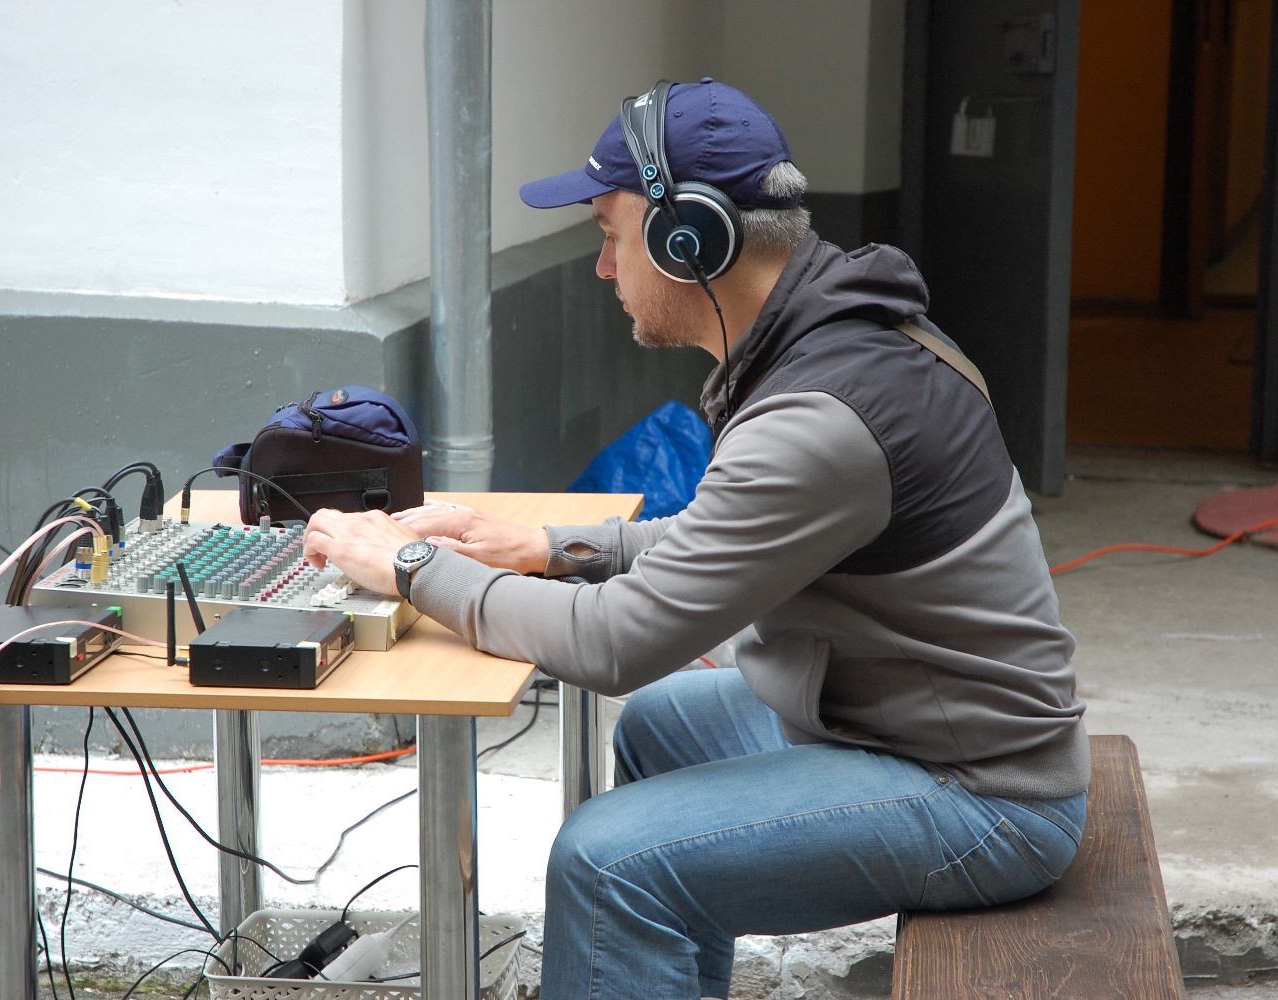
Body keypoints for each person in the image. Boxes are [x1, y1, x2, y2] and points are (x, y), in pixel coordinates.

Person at [301, 78, 1088, 1000]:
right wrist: (544, 546)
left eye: (610, 235)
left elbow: (615, 643)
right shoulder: (835, 338)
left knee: (606, 863)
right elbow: (730, 533)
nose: (603, 268)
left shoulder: (825, 415)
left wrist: (407, 565)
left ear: (690, 240)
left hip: (984, 796)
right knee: (663, 728)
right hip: (882, 716)